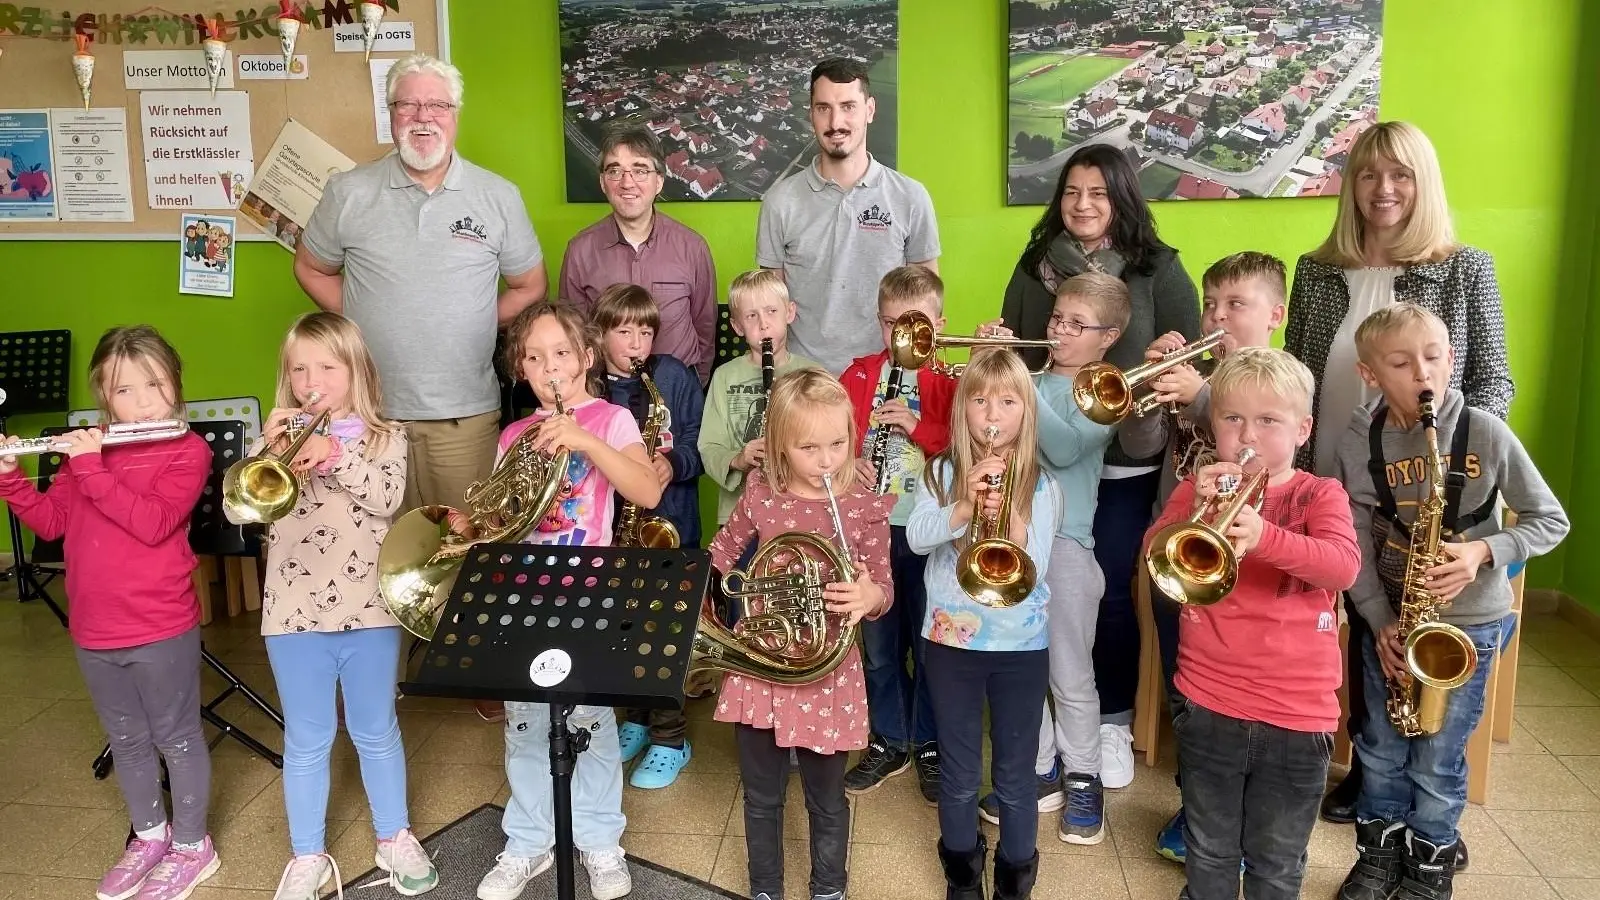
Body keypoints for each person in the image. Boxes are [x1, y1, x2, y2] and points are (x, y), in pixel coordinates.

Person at [1284, 122, 1513, 834]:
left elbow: (1493, 383)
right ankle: (1365, 766)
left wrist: (1456, 462)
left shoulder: (1466, 267)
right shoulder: (1318, 269)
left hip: (1427, 485)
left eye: (1401, 175)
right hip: (1333, 471)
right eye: (1368, 175)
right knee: (1356, 615)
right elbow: (1298, 374)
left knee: (1412, 622)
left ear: (1424, 183)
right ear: (1349, 186)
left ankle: (1422, 790)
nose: (1384, 191)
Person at [1334, 305, 1567, 900]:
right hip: (1390, 623)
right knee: (1380, 749)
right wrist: (1379, 621)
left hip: (1468, 626)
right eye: (1401, 362)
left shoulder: (1485, 430)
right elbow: (1355, 541)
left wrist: (1483, 553)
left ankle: (1431, 862)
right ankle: (1378, 854)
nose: (1423, 374)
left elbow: (1549, 520)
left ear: (1452, 359)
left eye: (1434, 357)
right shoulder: (1360, 439)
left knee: (1438, 759)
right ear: (1369, 374)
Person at [999, 143, 1201, 787]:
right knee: (1039, 603)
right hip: (1048, 464)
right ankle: (1049, 730)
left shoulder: (1157, 268)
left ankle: (1108, 721)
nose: (1082, 205)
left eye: (1098, 193)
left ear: (1122, 199)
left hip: (1125, 461)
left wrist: (1172, 350)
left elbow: (1191, 356)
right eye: (1071, 192)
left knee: (1109, 596)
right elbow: (1022, 350)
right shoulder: (1036, 266)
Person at [0, 327, 219, 900]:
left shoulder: (187, 450)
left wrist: (92, 465)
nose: (144, 400)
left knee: (176, 735)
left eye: (155, 383)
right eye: (125, 390)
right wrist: (11, 478)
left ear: (176, 382)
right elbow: (52, 523)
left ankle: (194, 846)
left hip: (159, 622)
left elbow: (152, 523)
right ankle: (149, 836)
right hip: (94, 625)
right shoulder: (88, 452)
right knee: (126, 737)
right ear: (104, 393)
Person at [1145, 347, 1361, 900]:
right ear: (1213, 424)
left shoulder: (1319, 493)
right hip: (1208, 699)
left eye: (1269, 420)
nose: (1248, 434)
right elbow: (1157, 555)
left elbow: (1342, 565)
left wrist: (1264, 535)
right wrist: (1192, 507)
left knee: (1276, 864)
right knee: (1209, 851)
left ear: (1303, 429)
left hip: (1296, 714)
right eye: (1233, 418)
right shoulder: (1197, 487)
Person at [294, 52, 547, 520]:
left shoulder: (498, 196)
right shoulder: (348, 191)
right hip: (367, 414)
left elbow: (530, 286)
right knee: (376, 549)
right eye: (407, 106)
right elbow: (311, 268)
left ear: (455, 114)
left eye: (437, 106)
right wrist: (356, 322)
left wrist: (472, 320)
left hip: (463, 418)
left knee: (461, 547)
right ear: (390, 114)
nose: (423, 117)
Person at [242, 313, 437, 900]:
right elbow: (239, 509)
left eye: (328, 367)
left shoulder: (387, 436)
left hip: (371, 612)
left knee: (376, 730)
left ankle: (393, 836)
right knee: (307, 738)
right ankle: (307, 855)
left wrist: (333, 454)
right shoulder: (274, 437)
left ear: (357, 372)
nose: (312, 380)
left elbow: (386, 499)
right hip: (291, 615)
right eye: (299, 368)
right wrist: (270, 447)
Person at [475, 302, 663, 900]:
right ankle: (528, 842)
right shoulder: (514, 434)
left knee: (592, 724)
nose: (550, 367)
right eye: (535, 356)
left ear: (586, 357)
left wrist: (583, 439)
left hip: (590, 595)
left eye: (562, 353)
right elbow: (503, 518)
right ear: (520, 368)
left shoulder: (611, 420)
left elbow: (647, 489)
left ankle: (601, 841)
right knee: (525, 725)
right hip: (524, 598)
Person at [1118, 251, 1288, 864]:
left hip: (1253, 562)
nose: (1216, 316)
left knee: (1241, 693)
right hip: (1183, 553)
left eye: (1234, 305)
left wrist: (1202, 396)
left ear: (1275, 314)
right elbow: (1143, 445)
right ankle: (1199, 804)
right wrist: (1147, 390)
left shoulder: (1285, 379)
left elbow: (1261, 438)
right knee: (1187, 683)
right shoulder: (1190, 370)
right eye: (1210, 303)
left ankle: (1243, 815)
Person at [707, 368, 894, 900]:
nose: (827, 459)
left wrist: (868, 598)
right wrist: (691, 588)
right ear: (779, 447)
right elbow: (723, 551)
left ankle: (828, 889)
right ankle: (765, 888)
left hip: (827, 673)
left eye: (838, 443)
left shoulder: (861, 502)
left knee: (827, 798)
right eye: (809, 447)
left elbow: (884, 585)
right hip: (760, 664)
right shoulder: (761, 494)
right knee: (761, 797)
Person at [979, 272, 1129, 845]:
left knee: (1069, 674)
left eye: (1076, 324)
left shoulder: (1105, 392)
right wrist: (995, 376)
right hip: (1009, 536)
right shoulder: (1031, 379)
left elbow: (1064, 447)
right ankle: (1040, 771)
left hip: (1066, 544)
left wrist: (1020, 379)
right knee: (1023, 668)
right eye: (1056, 318)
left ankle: (1083, 775)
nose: (1059, 330)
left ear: (1107, 337)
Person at [910, 349, 1060, 900]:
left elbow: (1035, 564)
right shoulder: (941, 472)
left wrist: (1009, 502)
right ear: (962, 410)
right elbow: (917, 537)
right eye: (979, 400)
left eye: (1007, 400)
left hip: (1022, 648)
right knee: (959, 772)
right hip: (950, 644)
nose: (991, 413)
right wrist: (964, 504)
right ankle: (963, 884)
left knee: (1017, 779)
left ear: (1026, 412)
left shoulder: (1043, 485)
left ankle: (1014, 886)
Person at [839, 265, 955, 803]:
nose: (900, 337)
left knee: (931, 643)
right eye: (889, 325)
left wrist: (918, 429)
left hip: (928, 533)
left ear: (939, 323)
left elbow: (964, 446)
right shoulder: (861, 374)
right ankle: (890, 737)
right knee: (880, 648)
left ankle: (932, 741)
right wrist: (845, 468)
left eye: (915, 325)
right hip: (872, 530)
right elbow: (828, 438)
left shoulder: (950, 381)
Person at [756, 57, 941, 375]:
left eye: (848, 106)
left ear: (869, 110)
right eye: (823, 107)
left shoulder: (911, 197)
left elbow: (926, 298)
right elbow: (771, 303)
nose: (835, 121)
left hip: (888, 375)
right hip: (805, 377)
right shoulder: (779, 201)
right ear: (811, 113)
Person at [594, 283, 706, 789]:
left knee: (663, 639)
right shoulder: (593, 390)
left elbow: (698, 444)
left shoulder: (673, 377)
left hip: (671, 528)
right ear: (599, 336)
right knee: (623, 635)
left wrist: (673, 463)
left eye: (645, 331)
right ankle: (637, 720)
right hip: (616, 532)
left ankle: (671, 738)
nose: (637, 342)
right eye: (624, 330)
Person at [561, 123, 718, 385]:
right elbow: (575, 336)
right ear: (602, 182)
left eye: (640, 170)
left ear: (659, 182)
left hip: (678, 396)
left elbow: (705, 328)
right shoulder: (580, 251)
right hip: (607, 398)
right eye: (615, 170)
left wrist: (693, 388)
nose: (627, 182)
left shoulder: (693, 247)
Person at [700, 270, 824, 529]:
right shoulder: (724, 376)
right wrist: (739, 459)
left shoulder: (813, 374)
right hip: (739, 513)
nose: (763, 324)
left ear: (789, 312)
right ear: (736, 326)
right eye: (751, 316)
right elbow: (709, 446)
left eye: (771, 311)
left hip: (801, 509)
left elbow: (829, 440)